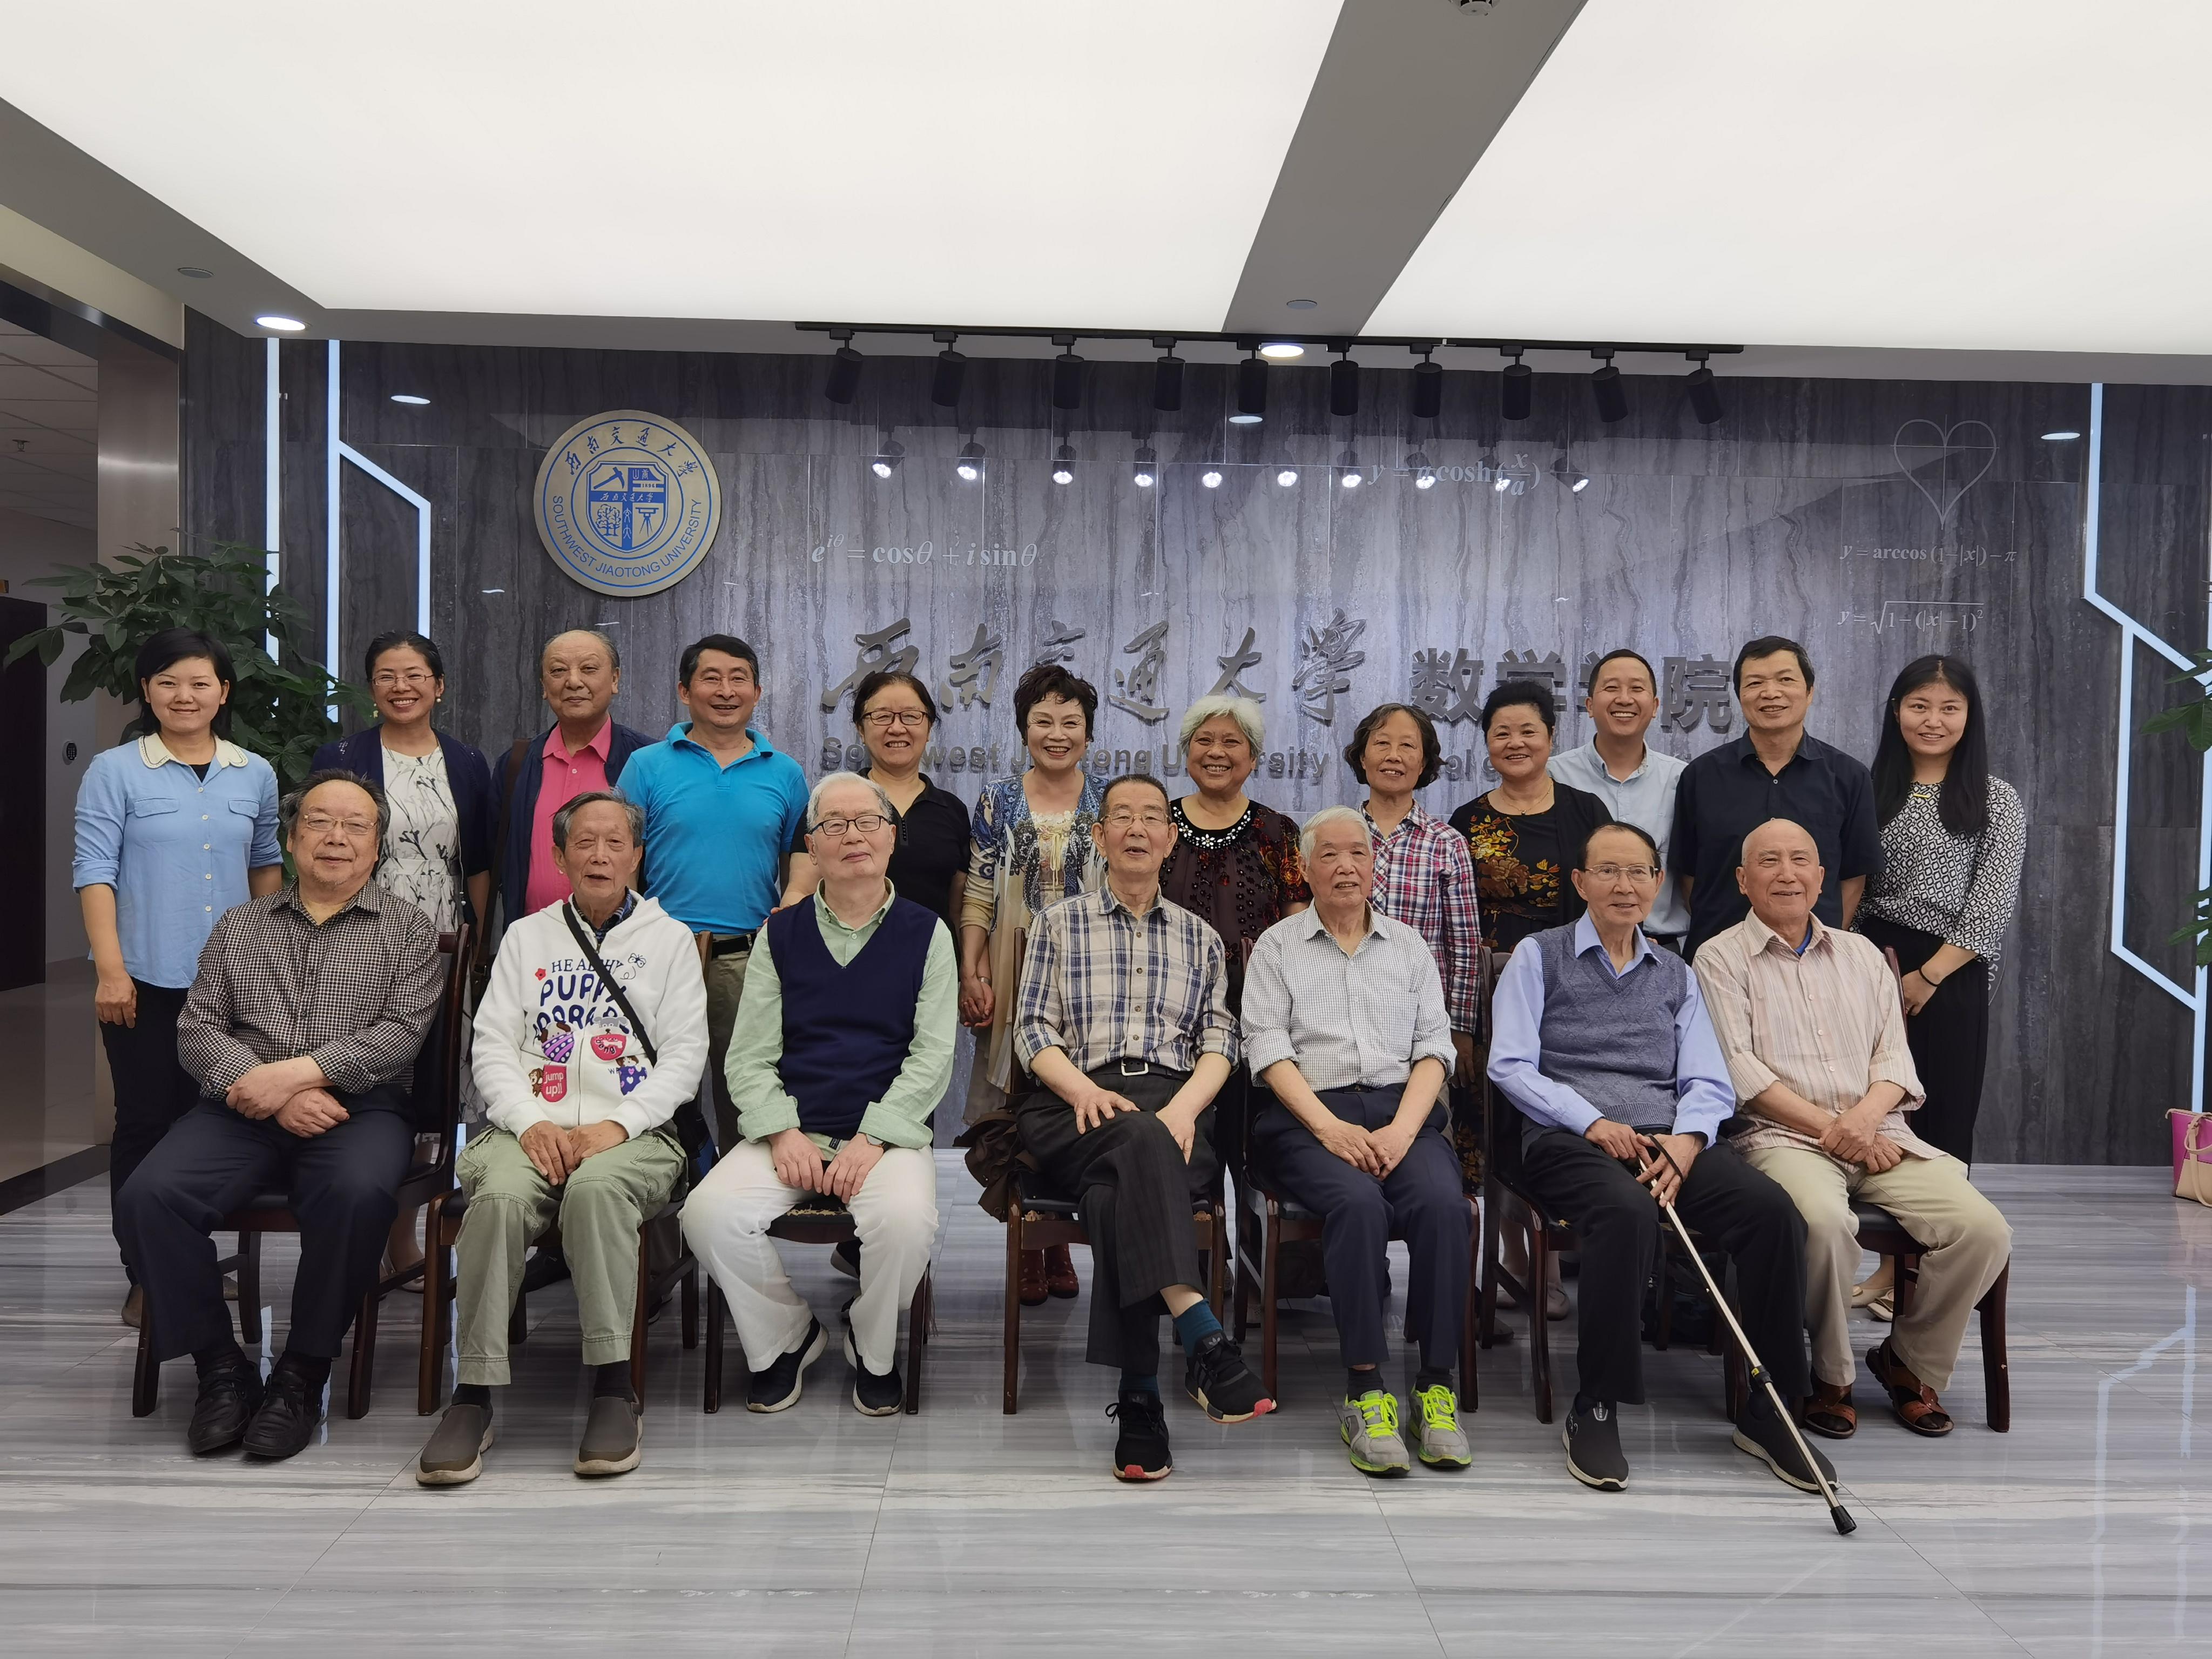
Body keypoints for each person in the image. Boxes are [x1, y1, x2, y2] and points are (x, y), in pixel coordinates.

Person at [1487, 821, 1833, 1497]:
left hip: (1665, 1138)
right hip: (1568, 1139)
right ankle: (1597, 1404)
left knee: (1772, 1214)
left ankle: (1771, 1412)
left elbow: (1707, 1078)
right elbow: (1510, 1066)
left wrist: (1689, 1138)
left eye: (1638, 872)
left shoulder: (1675, 971)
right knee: (1625, 1214)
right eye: (1608, 872)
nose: (1624, 886)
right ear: (1580, 882)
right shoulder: (1538, 955)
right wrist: (1592, 1122)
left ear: (1656, 884)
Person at [113, 771, 443, 1462]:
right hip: (240, 1105)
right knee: (148, 1196)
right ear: (291, 839)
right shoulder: (241, 925)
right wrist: (261, 1088)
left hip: (359, 1107)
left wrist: (294, 1079)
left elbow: (399, 1036)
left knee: (355, 1193)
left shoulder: (408, 929)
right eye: (318, 821)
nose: (336, 837)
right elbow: (197, 1029)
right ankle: (220, 1369)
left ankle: (301, 1375)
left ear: (377, 845)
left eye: (355, 825)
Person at [414, 791, 703, 1484]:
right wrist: (530, 1121)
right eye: (584, 843)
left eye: (615, 843)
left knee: (598, 1192)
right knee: (499, 1200)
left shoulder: (669, 940)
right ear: (558, 857)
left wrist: (616, 1124)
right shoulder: (526, 937)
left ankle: (613, 1388)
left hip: (632, 1132)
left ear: (637, 857)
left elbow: (685, 1056)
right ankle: (473, 1394)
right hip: (529, 1129)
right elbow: (491, 1046)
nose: (599, 856)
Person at [1696, 818, 2012, 1439]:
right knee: (1821, 1223)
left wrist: (1864, 1123)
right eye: (1768, 861)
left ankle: (1908, 1363)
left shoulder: (1863, 955)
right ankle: (1831, 1376)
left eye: (1799, 860)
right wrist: (1838, 1130)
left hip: (1881, 1134)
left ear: (1821, 878)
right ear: (1742, 879)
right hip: (1781, 1139)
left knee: (1982, 1230)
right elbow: (1741, 1072)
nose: (1786, 873)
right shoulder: (1718, 957)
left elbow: (1894, 1059)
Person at [1013, 772, 1269, 1481]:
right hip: (1071, 1102)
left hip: (1173, 1105)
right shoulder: (1058, 923)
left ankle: (1141, 1401)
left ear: (1168, 839)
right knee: (1137, 1142)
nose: (1136, 828)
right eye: (1120, 816)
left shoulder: (1201, 938)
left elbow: (1221, 1040)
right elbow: (1031, 1029)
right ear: (1099, 837)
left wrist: (1184, 1109)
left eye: (1151, 817)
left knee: (1114, 1193)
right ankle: (1203, 1335)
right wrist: (1079, 1088)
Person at [684, 773, 953, 1418]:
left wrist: (873, 1137)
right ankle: (788, 1334)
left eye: (868, 822)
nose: (852, 835)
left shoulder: (928, 933)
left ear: (893, 836)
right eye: (834, 824)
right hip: (794, 1130)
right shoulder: (779, 934)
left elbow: (932, 1057)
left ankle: (873, 1344)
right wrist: (782, 1132)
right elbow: (748, 1056)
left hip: (885, 1137)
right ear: (811, 846)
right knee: (707, 1213)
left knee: (906, 1222)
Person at [1241, 806, 1470, 1477]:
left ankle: (1435, 1385)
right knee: (1358, 1204)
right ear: (1305, 867)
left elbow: (1434, 1049)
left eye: (1358, 854)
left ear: (1375, 867)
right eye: (1330, 855)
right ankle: (1365, 1389)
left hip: (1402, 1114)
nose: (1346, 867)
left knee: (1443, 1206)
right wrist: (1330, 1128)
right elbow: (1267, 1050)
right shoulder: (1277, 947)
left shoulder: (1408, 947)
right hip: (1307, 1117)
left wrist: (1402, 1130)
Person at [73, 628, 282, 1326]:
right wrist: (111, 972)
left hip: (232, 987)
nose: (184, 696)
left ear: (224, 692)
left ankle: (193, 1263)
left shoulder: (254, 772)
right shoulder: (114, 770)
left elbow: (265, 866)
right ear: (146, 691)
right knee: (145, 1122)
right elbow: (94, 871)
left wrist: (269, 961)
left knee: (220, 1126)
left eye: (199, 683)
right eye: (168, 682)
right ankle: (146, 1275)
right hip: (144, 982)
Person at [313, 629, 494, 1284]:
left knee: (435, 1087)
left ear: (438, 686)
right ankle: (359, 1225)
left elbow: (479, 862)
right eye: (387, 675)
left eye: (415, 675)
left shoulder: (466, 761)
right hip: (357, 942)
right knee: (366, 1078)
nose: (402, 686)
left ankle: (410, 1232)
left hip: (443, 944)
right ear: (371, 688)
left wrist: (476, 944)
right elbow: (320, 848)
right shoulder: (341, 756)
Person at [614, 634, 808, 1154]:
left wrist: (792, 903)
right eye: (711, 678)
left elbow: (801, 858)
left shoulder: (785, 772)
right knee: (656, 1092)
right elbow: (622, 854)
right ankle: (664, 1201)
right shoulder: (647, 766)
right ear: (685, 690)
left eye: (739, 679)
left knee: (745, 1096)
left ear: (757, 692)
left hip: (746, 960)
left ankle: (736, 1201)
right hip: (660, 955)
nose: (726, 691)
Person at [960, 662, 1104, 1304]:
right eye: (1043, 721)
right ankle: (1025, 1243)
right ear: (1024, 730)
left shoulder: (1108, 801)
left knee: (1074, 1105)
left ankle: (1059, 1239)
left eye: (1070, 722)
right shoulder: (998, 799)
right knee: (1015, 1109)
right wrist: (973, 969)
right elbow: (978, 893)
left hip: (1089, 978)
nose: (1057, 733)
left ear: (1088, 733)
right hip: (1012, 974)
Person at [1857, 656, 2025, 1166]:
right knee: (1869, 1110)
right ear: (1896, 711)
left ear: (1970, 716)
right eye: (1919, 707)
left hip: (1951, 970)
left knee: (1944, 1110)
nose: (1933, 721)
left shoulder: (1996, 799)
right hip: (1868, 962)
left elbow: (1991, 904)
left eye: (1950, 708)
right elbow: (1849, 886)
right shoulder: (1863, 789)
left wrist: (1929, 976)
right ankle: (1875, 1221)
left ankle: (1944, 1216)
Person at [1158, 694, 1310, 1175]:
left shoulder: (1278, 832)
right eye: (1203, 740)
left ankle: (1251, 1222)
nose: (1216, 752)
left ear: (1254, 757)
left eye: (1231, 742)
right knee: (1181, 1141)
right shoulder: (1158, 825)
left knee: (1250, 1148)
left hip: (1257, 1008)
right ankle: (1193, 1222)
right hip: (1170, 1007)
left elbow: (1297, 927)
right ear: (1187, 751)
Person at [1671, 636, 1881, 956]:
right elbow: (1689, 877)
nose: (1770, 693)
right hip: (1719, 959)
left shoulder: (1849, 777)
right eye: (1755, 683)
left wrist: (1819, 943)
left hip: (1813, 959)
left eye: (1785, 680)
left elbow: (1853, 878)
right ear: (1740, 696)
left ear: (1810, 692)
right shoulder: (1701, 776)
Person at [1343, 703, 1481, 1078]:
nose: (1394, 756)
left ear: (1424, 764)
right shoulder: (1335, 835)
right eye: (1382, 743)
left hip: (1422, 1023)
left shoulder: (1447, 843)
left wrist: (1460, 1028)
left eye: (1407, 746)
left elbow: (1464, 946)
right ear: (1362, 758)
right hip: (1339, 1016)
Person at [491, 628, 652, 930]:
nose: (574, 681)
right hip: (533, 937)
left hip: (620, 940)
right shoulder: (516, 764)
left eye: (589, 669)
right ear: (543, 686)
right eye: (558, 671)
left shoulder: (646, 761)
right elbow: (492, 860)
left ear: (615, 679)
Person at [783, 670, 970, 927]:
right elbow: (802, 890)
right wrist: (784, 929)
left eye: (911, 716)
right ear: (861, 729)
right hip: (847, 950)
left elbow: (958, 909)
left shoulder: (952, 810)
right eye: (882, 716)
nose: (897, 728)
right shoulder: (829, 804)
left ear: (928, 729)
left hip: (934, 951)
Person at [1451, 680, 1608, 954]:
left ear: (1551, 736)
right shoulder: (1467, 819)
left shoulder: (1587, 810)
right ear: (1488, 741)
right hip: (1490, 968)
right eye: (1502, 734)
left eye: (1528, 732)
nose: (1515, 743)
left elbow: (1617, 881)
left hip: (1573, 962)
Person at [1549, 649, 1690, 949]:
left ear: (1655, 706)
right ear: (1590, 705)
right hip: (1572, 947)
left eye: (1637, 689)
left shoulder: (1682, 779)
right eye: (1612, 688)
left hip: (1660, 948)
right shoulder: (1553, 776)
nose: (1624, 699)